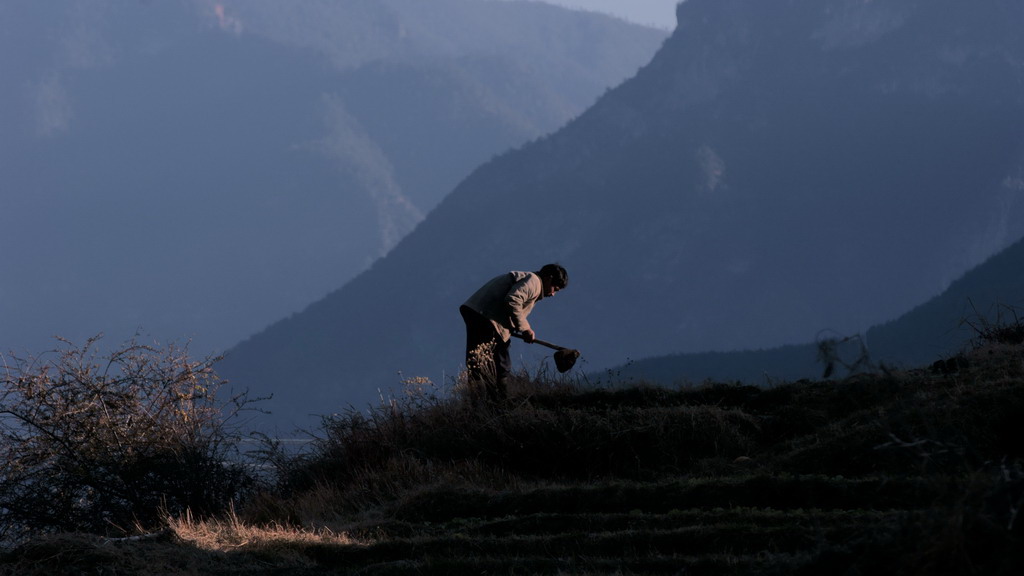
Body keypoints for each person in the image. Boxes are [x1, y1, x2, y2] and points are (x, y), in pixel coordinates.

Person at [459, 263, 568, 405]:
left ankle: (480, 405)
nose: (553, 294)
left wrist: (516, 327)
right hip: (487, 317)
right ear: (548, 278)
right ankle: (497, 404)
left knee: (478, 363)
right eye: (555, 288)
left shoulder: (530, 280)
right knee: (499, 363)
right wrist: (525, 328)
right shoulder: (534, 282)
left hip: (478, 313)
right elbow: (513, 300)